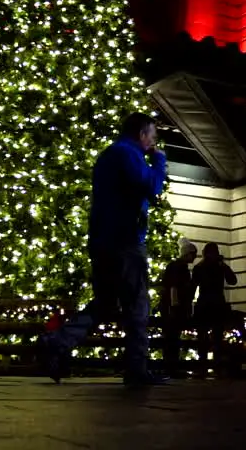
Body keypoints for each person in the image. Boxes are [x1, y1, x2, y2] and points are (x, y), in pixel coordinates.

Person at [41, 113, 168, 386]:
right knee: (137, 305)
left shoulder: (109, 155)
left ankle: (59, 341)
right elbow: (151, 186)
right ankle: (136, 370)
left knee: (105, 302)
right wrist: (159, 161)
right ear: (141, 134)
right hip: (125, 241)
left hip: (103, 241)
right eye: (152, 136)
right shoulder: (128, 153)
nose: (153, 142)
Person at [192, 242, 238, 372]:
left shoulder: (200, 267)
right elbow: (233, 280)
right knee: (215, 338)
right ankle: (215, 366)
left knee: (204, 338)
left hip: (205, 305)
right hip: (216, 305)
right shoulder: (219, 267)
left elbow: (192, 286)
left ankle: (203, 366)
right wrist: (223, 265)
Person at [159, 241, 197, 378]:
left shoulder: (176, 266)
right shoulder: (179, 267)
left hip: (171, 307)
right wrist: (175, 305)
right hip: (174, 308)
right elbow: (174, 287)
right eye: (193, 254)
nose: (195, 257)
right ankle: (171, 368)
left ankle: (170, 367)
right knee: (172, 338)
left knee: (171, 338)